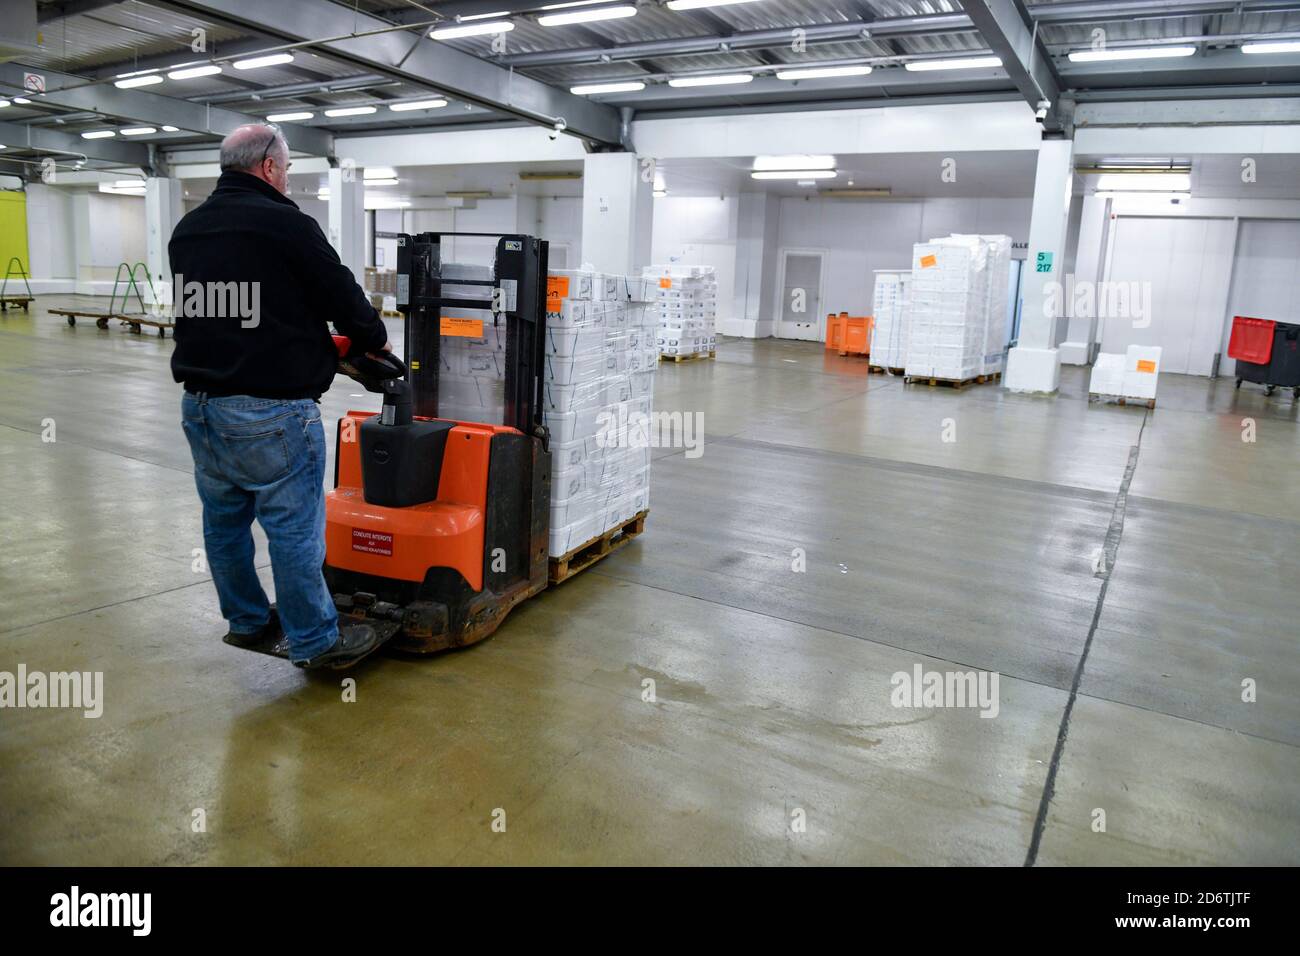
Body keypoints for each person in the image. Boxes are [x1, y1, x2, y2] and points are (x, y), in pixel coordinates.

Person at [170, 124, 390, 669]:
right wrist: (372, 339)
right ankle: (316, 641)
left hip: (201, 406)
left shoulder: (188, 229)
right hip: (270, 410)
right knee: (293, 530)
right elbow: (341, 292)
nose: (287, 179)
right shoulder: (286, 224)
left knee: (223, 524)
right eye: (287, 169)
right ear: (269, 167)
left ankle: (246, 621)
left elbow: (232, 309)